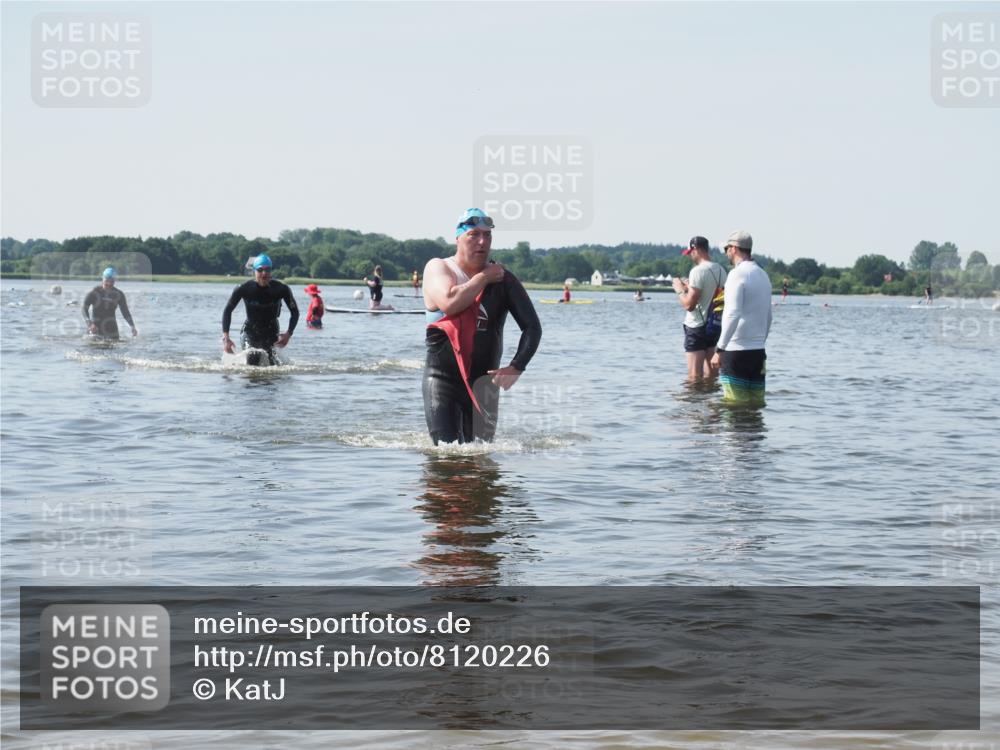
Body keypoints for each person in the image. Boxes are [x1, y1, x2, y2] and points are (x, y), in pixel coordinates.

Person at [421, 208, 542, 445]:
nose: (482, 242)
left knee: (480, 457)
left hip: (485, 386)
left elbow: (532, 328)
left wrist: (517, 366)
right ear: (458, 238)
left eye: (487, 236)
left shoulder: (504, 279)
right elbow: (450, 302)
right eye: (474, 235)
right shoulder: (439, 268)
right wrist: (483, 278)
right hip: (442, 381)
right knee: (447, 456)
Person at [710, 231, 772, 403]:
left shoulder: (736, 274)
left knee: (734, 407)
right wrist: (760, 342)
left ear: (734, 248)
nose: (726, 253)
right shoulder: (763, 275)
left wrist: (720, 349)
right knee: (755, 406)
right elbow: (769, 316)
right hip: (758, 352)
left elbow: (732, 313)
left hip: (736, 351)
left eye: (726, 248)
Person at [221, 254, 299, 366]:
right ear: (254, 271)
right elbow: (228, 310)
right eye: (260, 270)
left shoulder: (281, 289)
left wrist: (288, 333)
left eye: (267, 270)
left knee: (273, 365)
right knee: (253, 357)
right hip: (250, 331)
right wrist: (226, 337)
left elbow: (295, 312)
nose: (264, 273)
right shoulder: (243, 288)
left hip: (271, 331)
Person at [672, 236, 727, 381]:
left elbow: (689, 305)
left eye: (691, 252)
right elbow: (713, 294)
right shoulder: (721, 270)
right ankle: (709, 401)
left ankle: (694, 403)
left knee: (694, 376)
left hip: (696, 326)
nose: (690, 255)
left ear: (696, 250)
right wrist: (690, 287)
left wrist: (679, 289)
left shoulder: (697, 271)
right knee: (711, 375)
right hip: (714, 326)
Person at [81, 267, 138, 340]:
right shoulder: (94, 292)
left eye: (112, 281)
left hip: (112, 329)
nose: (109, 283)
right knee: (92, 350)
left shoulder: (118, 294)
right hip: (95, 328)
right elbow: (84, 309)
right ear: (103, 279)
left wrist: (132, 326)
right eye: (107, 281)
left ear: (114, 281)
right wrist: (89, 324)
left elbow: (125, 311)